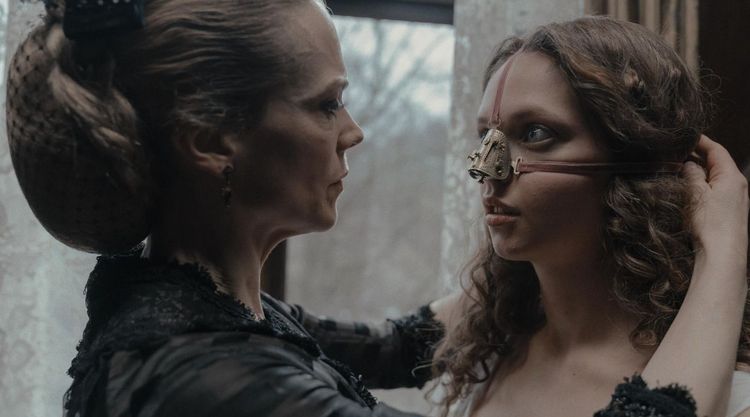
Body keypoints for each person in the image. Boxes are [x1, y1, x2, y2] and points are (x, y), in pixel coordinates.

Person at [4, 2, 746, 417]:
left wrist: (545, 254)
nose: (354, 130)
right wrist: (724, 249)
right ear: (210, 140)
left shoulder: (206, 310)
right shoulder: (203, 373)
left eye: (534, 134)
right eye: (327, 103)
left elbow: (395, 346)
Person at [431, 16, 750, 417]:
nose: (484, 169)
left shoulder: (729, 398)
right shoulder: (480, 359)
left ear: (638, 160)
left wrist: (722, 244)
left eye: (535, 133)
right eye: (485, 138)